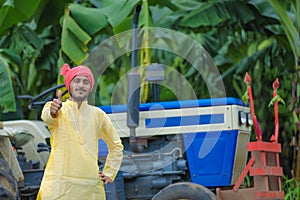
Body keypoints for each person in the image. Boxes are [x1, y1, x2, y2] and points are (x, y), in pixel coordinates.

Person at [37, 63, 123, 199]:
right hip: (59, 187)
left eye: (86, 82)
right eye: (76, 81)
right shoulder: (59, 109)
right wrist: (53, 111)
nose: (81, 85)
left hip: (90, 188)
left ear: (90, 88)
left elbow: (116, 146)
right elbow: (48, 117)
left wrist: (109, 172)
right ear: (69, 85)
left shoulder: (98, 114)